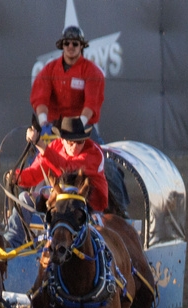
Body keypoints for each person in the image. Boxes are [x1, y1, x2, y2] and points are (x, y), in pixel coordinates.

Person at [30, 25, 128, 214]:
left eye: (75, 43)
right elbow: (40, 97)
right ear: (62, 45)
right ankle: (25, 210)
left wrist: (77, 128)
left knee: (106, 165)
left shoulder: (92, 71)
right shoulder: (50, 69)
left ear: (81, 46)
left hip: (83, 128)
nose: (71, 47)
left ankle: (121, 211)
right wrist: (43, 123)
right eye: (67, 43)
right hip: (55, 129)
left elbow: (91, 105)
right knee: (33, 165)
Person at [4, 117, 108, 250]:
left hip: (88, 206)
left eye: (80, 142)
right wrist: (17, 177)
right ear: (62, 140)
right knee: (24, 198)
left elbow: (68, 167)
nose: (75, 147)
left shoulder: (94, 153)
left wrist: (39, 143)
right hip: (60, 202)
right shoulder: (54, 148)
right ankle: (11, 242)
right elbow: (35, 172)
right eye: (71, 142)